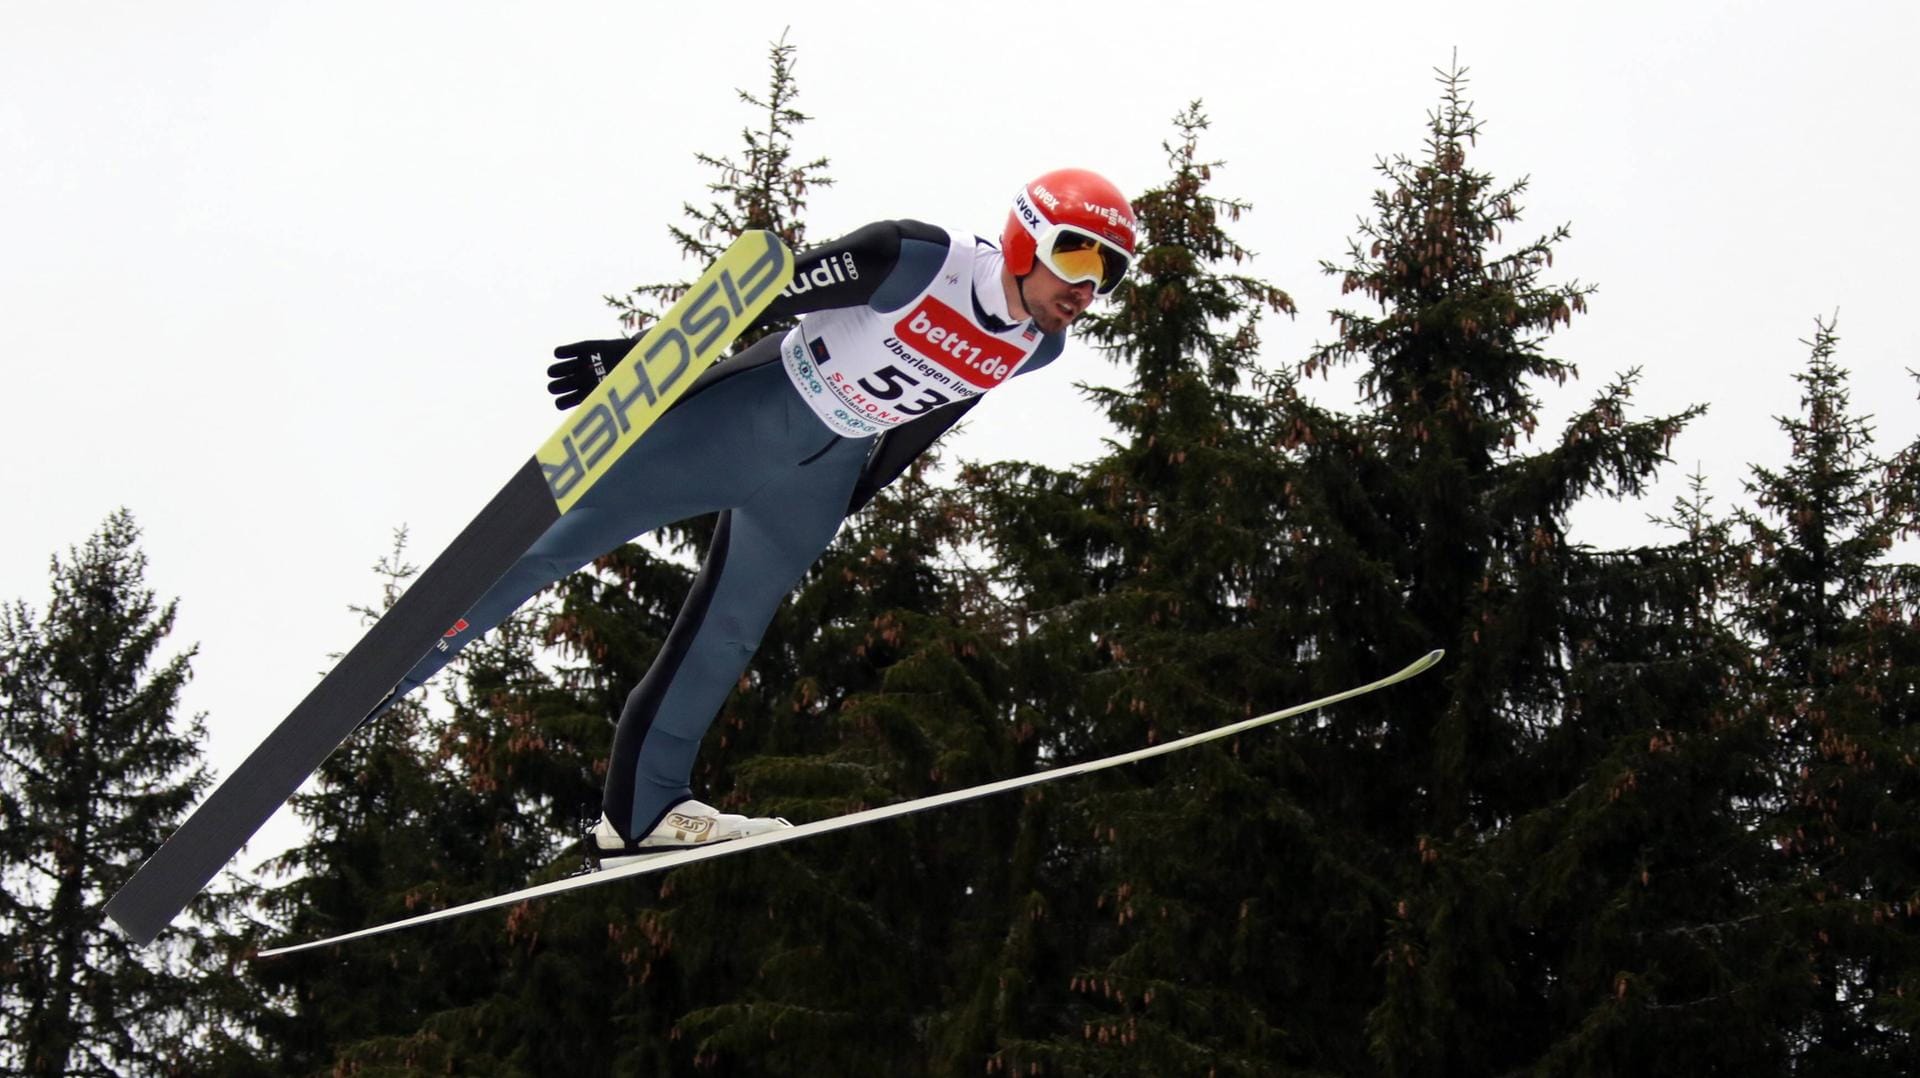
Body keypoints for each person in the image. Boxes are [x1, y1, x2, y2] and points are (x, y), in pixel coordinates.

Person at [389, 168, 1136, 868]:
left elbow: (941, 404)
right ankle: (395, 670)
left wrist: (861, 491)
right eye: (1074, 255)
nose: (1086, 285)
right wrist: (641, 361)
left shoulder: (1037, 347)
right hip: (756, 413)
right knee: (561, 540)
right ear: (1023, 237)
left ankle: (645, 813)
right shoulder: (915, 259)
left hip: (824, 469)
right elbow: (761, 293)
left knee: (731, 627)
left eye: (1109, 270)